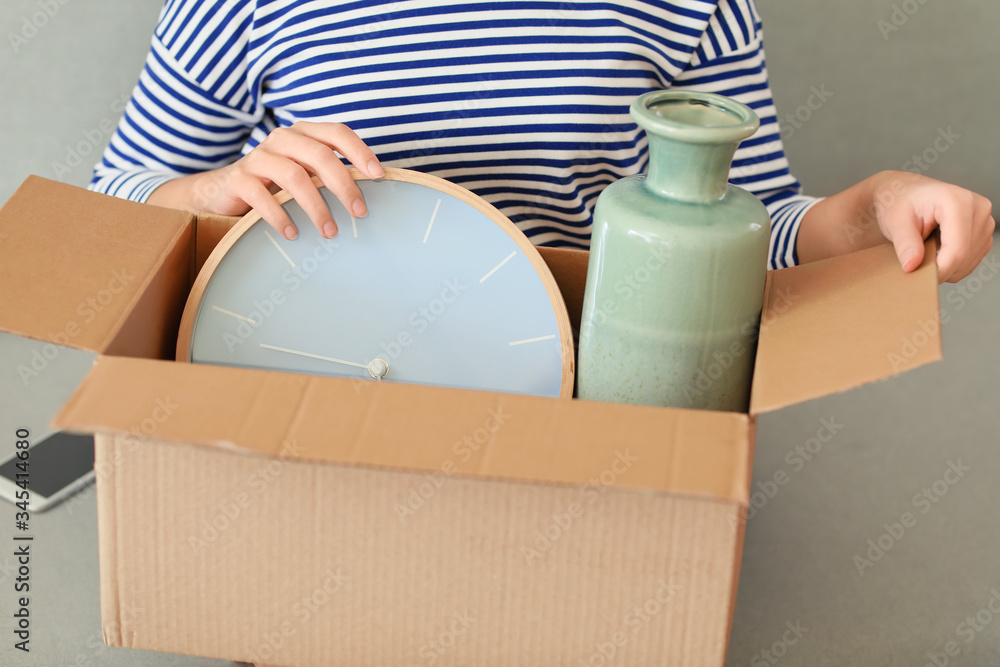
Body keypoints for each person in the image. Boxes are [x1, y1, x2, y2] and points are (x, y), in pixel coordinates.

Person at [89, 0, 993, 283]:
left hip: (571, 399)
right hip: (304, 381)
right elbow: (106, 201)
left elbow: (755, 236)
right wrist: (215, 192)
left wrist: (874, 209)